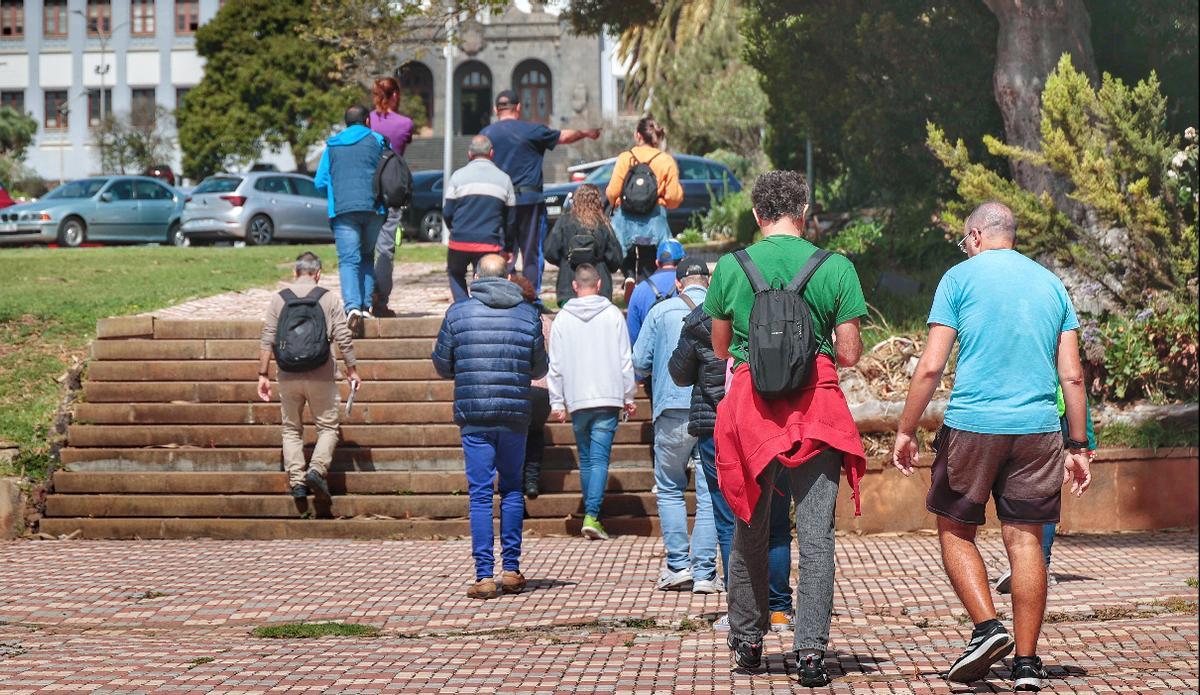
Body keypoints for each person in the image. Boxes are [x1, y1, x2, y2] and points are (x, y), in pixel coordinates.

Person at [891, 201, 1092, 692]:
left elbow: (931, 367)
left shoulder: (959, 279)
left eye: (966, 241)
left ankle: (986, 628)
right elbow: (1072, 374)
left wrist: (905, 428)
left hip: (974, 427)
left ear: (976, 236)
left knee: (956, 530)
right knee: (1025, 540)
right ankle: (1026, 664)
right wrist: (1079, 444)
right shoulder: (1050, 284)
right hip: (1039, 430)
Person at [704, 170, 868, 686]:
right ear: (805, 213)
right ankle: (812, 653)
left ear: (757, 216)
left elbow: (719, 348)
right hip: (816, 409)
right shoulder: (835, 267)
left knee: (749, 527)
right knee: (817, 535)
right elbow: (848, 353)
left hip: (751, 410)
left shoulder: (732, 267)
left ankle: (748, 641)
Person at [669, 293, 798, 632]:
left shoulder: (700, 320)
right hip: (770, 425)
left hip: (716, 427)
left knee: (731, 520)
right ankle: (780, 610)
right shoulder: (771, 309)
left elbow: (679, 374)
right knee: (778, 520)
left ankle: (743, 609)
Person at [431, 254, 548, 599]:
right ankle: (511, 569)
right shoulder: (528, 315)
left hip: (474, 413)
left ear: (477, 276)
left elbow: (441, 364)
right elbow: (539, 368)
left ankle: (484, 575)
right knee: (512, 489)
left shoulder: (458, 313)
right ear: (509, 277)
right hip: (513, 414)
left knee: (480, 493)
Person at [633, 260, 718, 593]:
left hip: (670, 410)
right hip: (712, 410)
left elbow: (640, 361)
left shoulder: (660, 311)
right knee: (710, 491)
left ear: (680, 284)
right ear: (707, 283)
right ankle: (705, 572)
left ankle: (678, 565)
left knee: (669, 486)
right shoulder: (721, 309)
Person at [257, 252, 361, 500]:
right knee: (327, 428)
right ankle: (316, 469)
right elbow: (343, 336)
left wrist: (262, 374)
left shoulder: (278, 299)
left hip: (288, 374)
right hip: (321, 373)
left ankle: (298, 483)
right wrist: (352, 368)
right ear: (318, 274)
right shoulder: (328, 298)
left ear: (295, 273)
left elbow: (268, 336)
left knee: (291, 429)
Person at [547, 263, 637, 540]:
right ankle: (592, 515)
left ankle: (590, 512)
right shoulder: (612, 315)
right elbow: (625, 359)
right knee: (598, 460)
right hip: (607, 396)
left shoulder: (562, 318)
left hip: (577, 398)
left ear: (574, 285)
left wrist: (557, 402)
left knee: (587, 460)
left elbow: (556, 364)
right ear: (599, 285)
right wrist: (628, 395)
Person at [480, 90, 601, 296]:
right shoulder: (532, 130)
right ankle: (530, 298)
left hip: (498, 201)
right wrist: (586, 133)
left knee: (500, 251)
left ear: (495, 109)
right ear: (518, 107)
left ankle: (501, 294)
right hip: (529, 201)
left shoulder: (485, 135)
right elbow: (564, 136)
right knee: (532, 253)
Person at [995, 385, 1097, 593]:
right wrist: (1086, 441)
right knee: (1039, 492)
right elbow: (1075, 383)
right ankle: (1037, 564)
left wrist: (1086, 441)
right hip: (1046, 414)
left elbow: (1073, 381)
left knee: (1035, 492)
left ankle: (1037, 564)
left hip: (1033, 415)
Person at [314, 105, 388, 335]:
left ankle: (352, 308)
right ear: (367, 120)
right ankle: (366, 306)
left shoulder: (332, 145)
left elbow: (320, 182)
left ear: (346, 122)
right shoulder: (378, 140)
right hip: (374, 208)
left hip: (343, 210)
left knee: (348, 260)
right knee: (367, 256)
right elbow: (388, 172)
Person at [604, 116, 683, 298]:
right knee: (649, 256)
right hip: (654, 218)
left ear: (638, 135)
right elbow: (673, 196)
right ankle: (646, 287)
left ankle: (629, 276)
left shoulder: (626, 158)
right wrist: (663, 201)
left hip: (626, 218)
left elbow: (612, 191)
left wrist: (618, 202)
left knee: (626, 250)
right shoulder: (665, 160)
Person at [442, 135, 517, 303]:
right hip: (489, 242)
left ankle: (462, 305)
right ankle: (483, 306)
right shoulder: (504, 179)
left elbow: (447, 212)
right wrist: (509, 246)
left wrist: (454, 230)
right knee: (487, 278)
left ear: (469, 154)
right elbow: (511, 219)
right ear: (491, 153)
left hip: (459, 241)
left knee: (455, 273)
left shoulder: (457, 177)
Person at [368, 77, 416, 318]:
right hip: (392, 187)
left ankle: (364, 296)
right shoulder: (405, 123)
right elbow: (402, 145)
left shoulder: (367, 121)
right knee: (385, 248)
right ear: (395, 95)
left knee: (365, 244)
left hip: (368, 186)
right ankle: (381, 300)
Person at [543, 183, 624, 306]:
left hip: (568, 286)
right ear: (598, 201)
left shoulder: (564, 221)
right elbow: (615, 259)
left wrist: (565, 261)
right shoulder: (603, 224)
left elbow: (550, 252)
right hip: (600, 290)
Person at [510, 272, 552, 499]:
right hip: (542, 389)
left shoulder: (509, 319)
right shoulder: (544, 320)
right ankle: (533, 480)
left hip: (515, 386)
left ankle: (516, 484)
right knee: (535, 433)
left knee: (514, 438)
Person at [626, 239, 684, 349]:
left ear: (657, 262)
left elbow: (633, 336)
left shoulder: (639, 290)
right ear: (682, 261)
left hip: (651, 360)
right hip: (683, 359)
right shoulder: (686, 286)